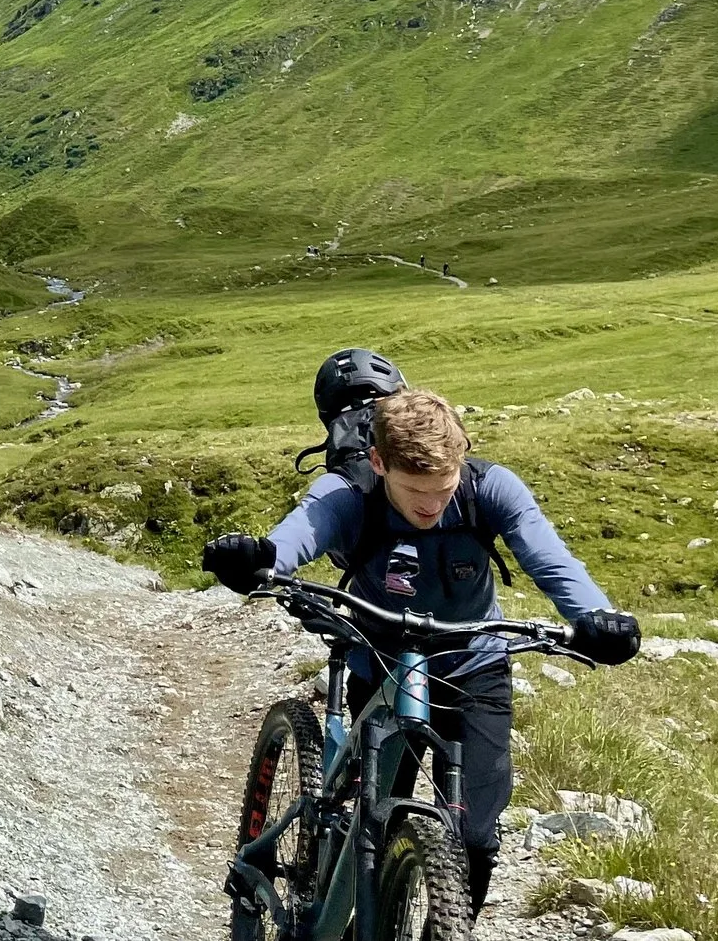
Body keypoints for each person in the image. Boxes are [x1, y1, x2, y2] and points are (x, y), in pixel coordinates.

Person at [202, 388, 640, 920]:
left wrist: (596, 618)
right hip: (381, 664)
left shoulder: (490, 489)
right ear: (379, 462)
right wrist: (255, 558)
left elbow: (550, 559)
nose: (431, 505)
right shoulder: (348, 495)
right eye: (414, 490)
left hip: (474, 668)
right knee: (366, 828)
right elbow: (293, 540)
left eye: (443, 487)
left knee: (475, 839)